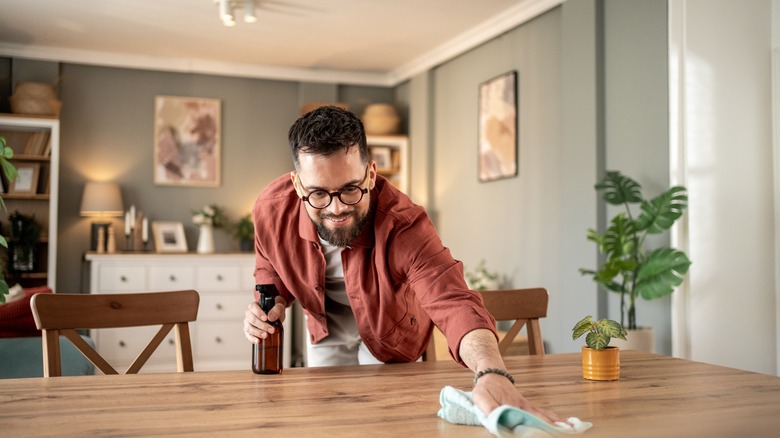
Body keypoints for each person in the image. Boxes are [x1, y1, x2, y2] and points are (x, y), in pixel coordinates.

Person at [243, 105, 560, 422]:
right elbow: (269, 270)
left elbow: (453, 300)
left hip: (389, 332)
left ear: (370, 173)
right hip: (326, 325)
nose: (336, 208)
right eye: (318, 194)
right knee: (332, 420)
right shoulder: (271, 209)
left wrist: (492, 371)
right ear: (298, 184)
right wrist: (271, 305)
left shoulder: (404, 224)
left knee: (385, 421)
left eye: (350, 189)